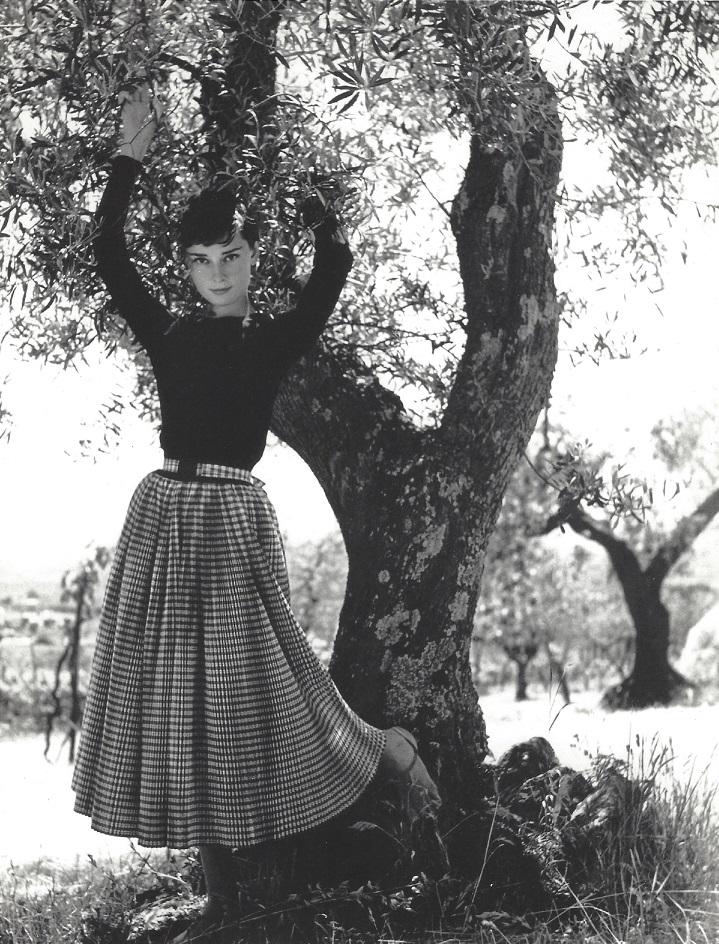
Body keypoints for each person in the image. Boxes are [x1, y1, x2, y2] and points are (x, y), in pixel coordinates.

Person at [72, 87, 440, 944]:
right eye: (202, 260)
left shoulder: (273, 337)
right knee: (173, 698)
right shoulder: (167, 332)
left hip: (235, 517)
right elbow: (107, 251)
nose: (219, 271)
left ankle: (385, 748)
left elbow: (335, 268)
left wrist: (315, 198)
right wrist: (127, 156)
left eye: (231, 253)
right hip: (163, 515)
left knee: (263, 678)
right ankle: (221, 899)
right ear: (189, 271)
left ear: (250, 257)